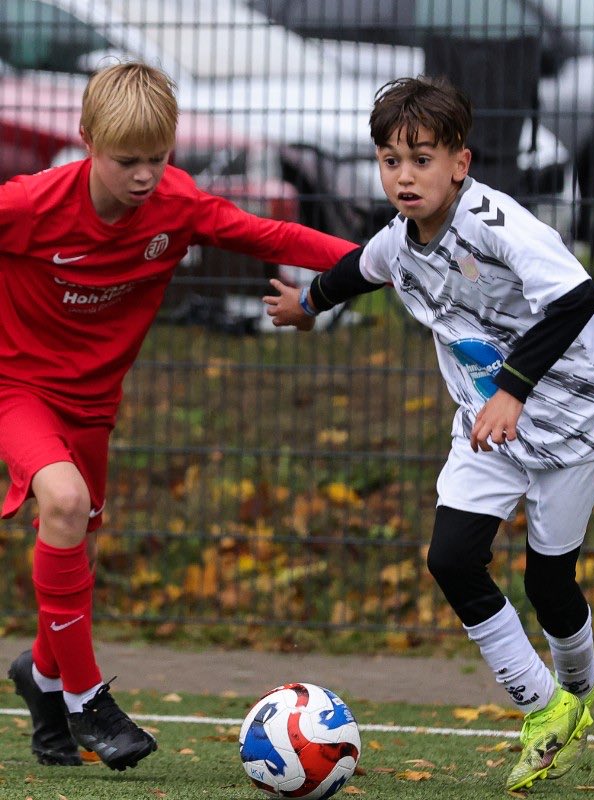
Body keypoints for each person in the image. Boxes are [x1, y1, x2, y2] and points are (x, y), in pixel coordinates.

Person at [263, 75, 594, 791]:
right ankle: (543, 706)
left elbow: (577, 297)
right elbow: (357, 271)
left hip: (574, 424)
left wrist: (514, 390)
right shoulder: (401, 243)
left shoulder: (500, 226)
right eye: (390, 160)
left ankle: (579, 690)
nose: (404, 176)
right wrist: (307, 302)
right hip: (487, 429)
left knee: (549, 582)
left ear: (459, 163)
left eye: (422, 158)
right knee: (452, 557)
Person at [2, 61, 358, 771]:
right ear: (86, 140)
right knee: (65, 504)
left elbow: (274, 236)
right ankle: (83, 701)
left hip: (95, 406)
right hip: (17, 389)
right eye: (125, 160)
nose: (142, 176)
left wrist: (382, 262)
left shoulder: (178, 206)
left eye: (156, 159)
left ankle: (40, 683)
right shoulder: (27, 203)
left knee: (79, 543)